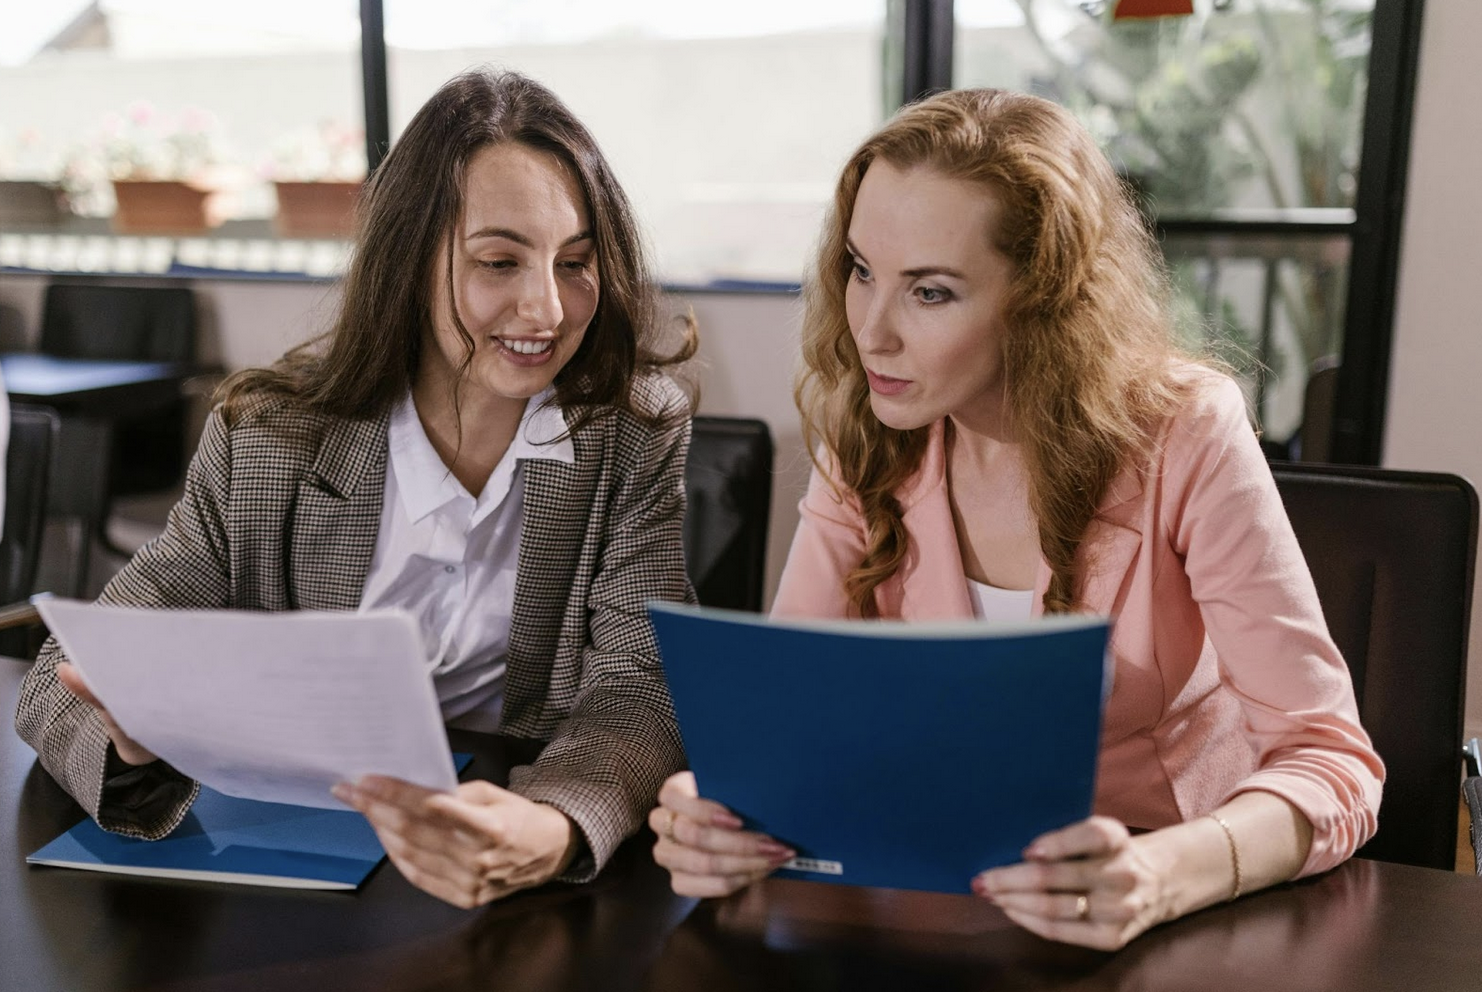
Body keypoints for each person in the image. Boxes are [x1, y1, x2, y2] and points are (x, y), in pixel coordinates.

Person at [648, 87, 1383, 951]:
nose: (870, 334)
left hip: (1163, 905)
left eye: (929, 292)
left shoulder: (1186, 432)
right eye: (860, 271)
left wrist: (1157, 877)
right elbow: (790, 734)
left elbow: (1331, 761)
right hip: (933, 898)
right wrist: (716, 816)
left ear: (1044, 302)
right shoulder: (870, 431)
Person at [15, 67, 697, 909]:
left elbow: (640, 679)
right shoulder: (269, 439)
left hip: (509, 855)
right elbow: (60, 679)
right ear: (410, 263)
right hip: (300, 866)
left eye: (576, 262)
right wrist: (135, 745)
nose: (548, 308)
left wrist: (554, 825)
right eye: (499, 261)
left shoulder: (629, 431)